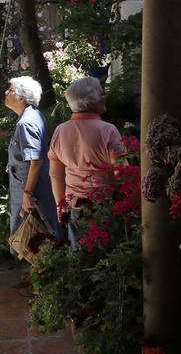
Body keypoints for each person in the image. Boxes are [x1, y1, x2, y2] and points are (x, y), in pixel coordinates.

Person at [47, 76, 126, 246]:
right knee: (107, 256)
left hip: (74, 206)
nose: (104, 96)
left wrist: (60, 206)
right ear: (90, 101)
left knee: (78, 257)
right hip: (105, 206)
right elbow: (122, 172)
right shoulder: (108, 130)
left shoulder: (60, 131)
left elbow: (55, 175)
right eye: (101, 93)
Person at [4, 75, 59, 239]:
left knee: (29, 237)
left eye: (11, 90)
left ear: (21, 97)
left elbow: (35, 161)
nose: (6, 92)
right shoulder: (33, 115)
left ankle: (39, 264)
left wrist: (27, 193)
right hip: (29, 184)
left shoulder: (26, 122)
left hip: (30, 189)